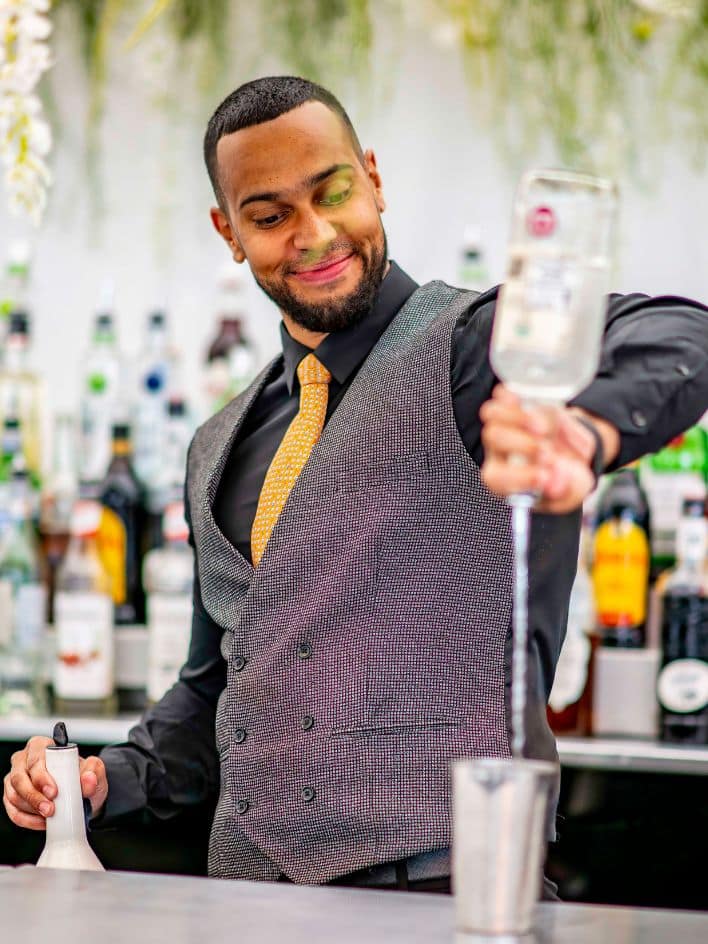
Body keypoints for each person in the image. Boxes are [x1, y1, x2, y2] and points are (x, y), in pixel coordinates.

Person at [4, 76, 708, 894]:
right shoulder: (216, 445)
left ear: (373, 178)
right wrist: (101, 779)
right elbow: (214, 698)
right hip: (247, 900)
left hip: (448, 896)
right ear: (229, 232)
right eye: (269, 217)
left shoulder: (474, 351)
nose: (314, 232)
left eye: (333, 191)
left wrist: (584, 431)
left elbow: (678, 331)